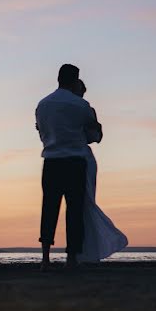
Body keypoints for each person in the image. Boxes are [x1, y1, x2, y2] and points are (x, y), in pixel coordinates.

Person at [35, 64, 97, 269]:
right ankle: (71, 258)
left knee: (49, 208)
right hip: (75, 160)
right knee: (74, 210)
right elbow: (93, 135)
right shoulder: (81, 105)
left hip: (51, 160)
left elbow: (41, 132)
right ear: (75, 80)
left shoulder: (43, 105)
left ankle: (45, 259)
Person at [73, 79, 129, 263]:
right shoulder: (80, 108)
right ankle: (82, 250)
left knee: (85, 202)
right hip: (77, 157)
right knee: (80, 204)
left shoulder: (86, 110)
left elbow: (95, 137)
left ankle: (84, 250)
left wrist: (97, 127)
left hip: (82, 158)